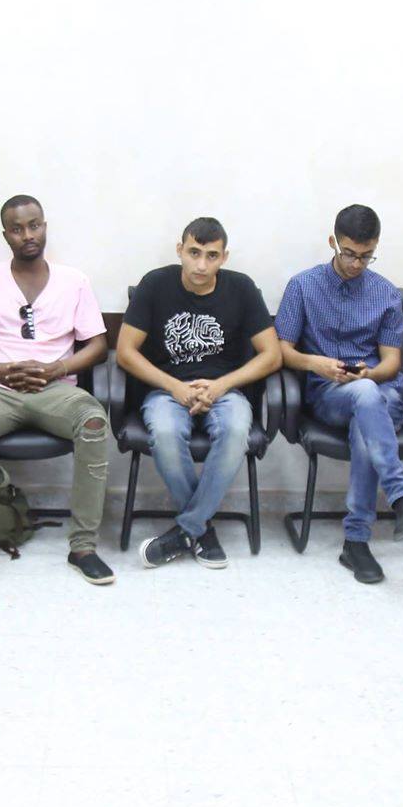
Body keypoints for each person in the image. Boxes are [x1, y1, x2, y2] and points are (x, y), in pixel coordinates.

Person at [0, 194, 113, 586]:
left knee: (93, 422)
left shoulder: (74, 281)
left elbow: (98, 346)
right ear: (6, 236)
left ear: (45, 227)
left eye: (34, 225)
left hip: (56, 389)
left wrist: (57, 368)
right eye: (17, 229)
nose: (27, 235)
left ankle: (83, 547)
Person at [116, 217, 280, 568]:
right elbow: (125, 352)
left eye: (211, 256)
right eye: (194, 253)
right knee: (164, 432)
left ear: (224, 257)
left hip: (225, 391)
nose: (201, 265)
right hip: (167, 390)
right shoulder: (155, 284)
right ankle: (201, 532)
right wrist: (174, 386)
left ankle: (187, 529)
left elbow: (272, 355)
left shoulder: (242, 288)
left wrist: (221, 385)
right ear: (180, 250)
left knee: (236, 429)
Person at [276, 204, 403, 585]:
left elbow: (392, 362)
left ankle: (356, 542)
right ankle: (401, 498)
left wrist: (369, 374)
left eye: (366, 255)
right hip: (328, 394)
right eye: (349, 253)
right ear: (333, 242)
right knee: (365, 401)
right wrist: (315, 364)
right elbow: (282, 351)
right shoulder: (302, 286)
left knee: (368, 408)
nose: (357, 263)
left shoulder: (386, 293)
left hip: (380, 394)